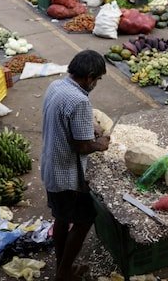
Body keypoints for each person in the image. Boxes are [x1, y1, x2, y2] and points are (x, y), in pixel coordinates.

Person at [40, 50, 110, 281]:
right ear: (89, 76)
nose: (97, 84)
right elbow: (82, 146)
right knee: (83, 220)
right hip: (67, 173)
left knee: (61, 216)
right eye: (98, 79)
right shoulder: (80, 100)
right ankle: (63, 275)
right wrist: (99, 144)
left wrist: (90, 129)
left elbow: (66, 123)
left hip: (51, 166)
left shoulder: (57, 86)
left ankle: (64, 267)